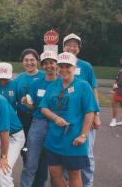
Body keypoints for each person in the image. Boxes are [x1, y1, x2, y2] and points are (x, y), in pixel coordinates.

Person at [40, 52, 100, 187]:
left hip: (74, 140)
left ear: (74, 68)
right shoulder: (53, 86)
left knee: (74, 175)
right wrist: (55, 118)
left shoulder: (83, 86)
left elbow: (90, 112)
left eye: (68, 66)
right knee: (54, 173)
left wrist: (83, 135)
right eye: (61, 66)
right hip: (54, 139)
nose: (64, 69)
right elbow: (43, 107)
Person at [63, 33, 101, 187]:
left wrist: (96, 115)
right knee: (65, 151)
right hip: (66, 117)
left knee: (87, 154)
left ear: (79, 48)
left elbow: (94, 90)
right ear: (63, 46)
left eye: (75, 45)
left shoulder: (86, 66)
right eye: (69, 44)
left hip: (86, 116)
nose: (72, 47)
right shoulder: (60, 64)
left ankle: (87, 184)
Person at [20, 51, 58, 187]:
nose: (49, 66)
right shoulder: (36, 84)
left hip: (56, 125)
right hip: (38, 124)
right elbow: (32, 106)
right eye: (46, 63)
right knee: (30, 163)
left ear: (56, 64)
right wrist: (27, 103)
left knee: (56, 166)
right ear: (42, 65)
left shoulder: (62, 83)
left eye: (51, 63)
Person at [14, 48, 45, 164]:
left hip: (39, 116)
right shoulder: (19, 79)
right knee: (25, 148)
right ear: (22, 62)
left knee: (39, 148)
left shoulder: (43, 76)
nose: (29, 63)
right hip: (23, 117)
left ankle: (38, 177)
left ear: (37, 61)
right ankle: (28, 169)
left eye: (32, 60)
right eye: (26, 60)